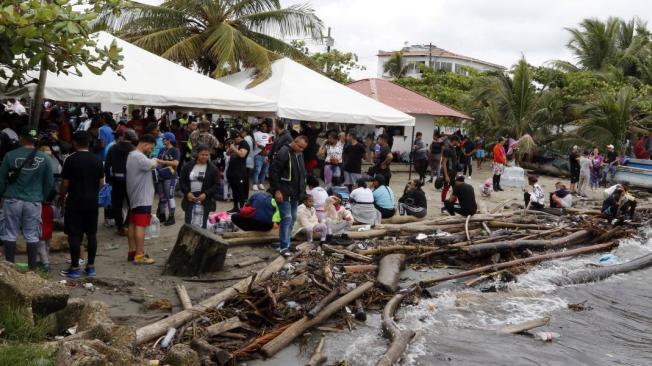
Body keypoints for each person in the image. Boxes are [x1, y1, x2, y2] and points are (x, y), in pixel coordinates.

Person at [0, 127, 54, 268]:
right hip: (34, 201)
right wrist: (42, 197)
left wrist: (1, 195)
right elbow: (49, 183)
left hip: (12, 200)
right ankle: (32, 270)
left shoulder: (9, 156)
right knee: (32, 235)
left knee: (10, 234)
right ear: (35, 140)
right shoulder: (45, 158)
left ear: (21, 138)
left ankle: (10, 268)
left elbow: (1, 180)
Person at [59, 131, 104, 278]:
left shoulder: (70, 160)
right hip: (92, 201)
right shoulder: (97, 160)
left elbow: (65, 183)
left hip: (75, 200)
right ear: (89, 143)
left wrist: (62, 196)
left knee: (74, 234)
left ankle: (74, 268)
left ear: (75, 143)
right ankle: (91, 267)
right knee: (91, 234)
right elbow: (101, 183)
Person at [269, 135, 308, 257]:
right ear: (295, 142)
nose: (301, 149)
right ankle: (284, 246)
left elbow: (302, 173)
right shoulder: (284, 152)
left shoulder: (299, 154)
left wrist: (303, 191)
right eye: (300, 146)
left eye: (303, 148)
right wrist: (277, 190)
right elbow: (273, 171)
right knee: (287, 218)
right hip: (284, 192)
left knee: (293, 218)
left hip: (295, 193)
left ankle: (286, 242)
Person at [125, 134, 159, 264]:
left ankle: (132, 251)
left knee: (133, 224)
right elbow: (152, 164)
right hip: (142, 197)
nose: (151, 151)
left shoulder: (131, 155)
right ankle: (139, 255)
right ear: (145, 144)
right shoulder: (139, 157)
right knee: (141, 225)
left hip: (134, 196)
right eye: (151, 148)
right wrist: (155, 159)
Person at [179, 145, 219, 228]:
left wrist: (206, 194)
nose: (204, 157)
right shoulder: (188, 166)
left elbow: (216, 185)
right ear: (197, 154)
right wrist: (187, 193)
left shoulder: (213, 169)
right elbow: (182, 180)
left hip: (205, 200)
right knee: (189, 224)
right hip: (190, 198)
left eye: (207, 155)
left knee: (202, 225)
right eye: (202, 154)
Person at [105, 128, 137, 236]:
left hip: (116, 179)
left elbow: (107, 165)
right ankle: (128, 224)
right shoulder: (134, 150)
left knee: (117, 205)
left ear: (124, 136)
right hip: (130, 180)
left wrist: (109, 179)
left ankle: (120, 227)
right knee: (131, 204)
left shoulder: (113, 148)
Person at [156, 132, 180, 225]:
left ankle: (171, 217)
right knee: (162, 197)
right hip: (161, 175)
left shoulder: (175, 150)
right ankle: (162, 215)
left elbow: (176, 163)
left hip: (171, 177)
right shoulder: (162, 149)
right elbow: (158, 162)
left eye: (164, 139)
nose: (163, 140)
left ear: (169, 140)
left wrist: (161, 161)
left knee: (170, 197)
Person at [226, 130, 250, 213]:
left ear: (238, 137)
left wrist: (234, 149)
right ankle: (235, 207)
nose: (233, 140)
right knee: (234, 191)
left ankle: (242, 209)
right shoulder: (235, 144)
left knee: (240, 191)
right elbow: (227, 153)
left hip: (239, 172)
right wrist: (231, 147)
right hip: (232, 171)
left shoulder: (244, 144)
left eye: (234, 139)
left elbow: (242, 154)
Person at [252, 122, 272, 191]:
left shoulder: (268, 135)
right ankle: (255, 184)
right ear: (260, 127)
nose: (264, 128)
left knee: (264, 171)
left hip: (266, 156)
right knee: (257, 170)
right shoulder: (256, 134)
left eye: (265, 126)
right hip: (258, 155)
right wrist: (260, 146)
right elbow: (254, 143)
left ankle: (261, 183)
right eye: (262, 126)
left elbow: (270, 143)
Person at [441, 135, 461, 203]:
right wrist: (446, 176)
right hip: (448, 173)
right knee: (446, 188)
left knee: (456, 189)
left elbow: (454, 161)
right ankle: (443, 204)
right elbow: (443, 163)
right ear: (454, 141)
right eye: (458, 142)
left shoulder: (453, 148)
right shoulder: (447, 149)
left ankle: (451, 203)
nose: (458, 143)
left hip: (453, 172)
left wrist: (456, 173)